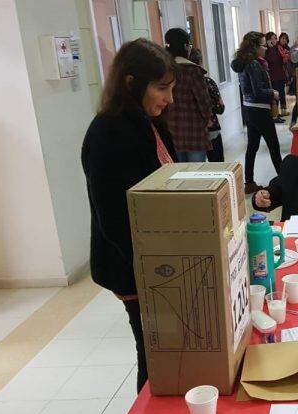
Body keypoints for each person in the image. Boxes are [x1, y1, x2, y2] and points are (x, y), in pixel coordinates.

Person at [81, 39, 178, 393]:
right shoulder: (109, 131)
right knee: (153, 354)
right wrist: (153, 268)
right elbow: (114, 219)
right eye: (162, 89)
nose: (169, 99)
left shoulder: (147, 122)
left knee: (165, 351)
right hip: (135, 268)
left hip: (160, 261)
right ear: (132, 83)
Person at [231, 31, 283, 194]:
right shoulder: (253, 64)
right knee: (273, 146)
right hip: (259, 110)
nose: (266, 48)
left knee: (252, 147)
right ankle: (284, 181)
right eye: (263, 44)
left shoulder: (244, 62)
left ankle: (249, 182)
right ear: (254, 47)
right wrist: (273, 93)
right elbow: (258, 91)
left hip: (249, 109)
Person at [164, 28, 212, 162]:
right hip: (194, 130)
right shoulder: (192, 71)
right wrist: (208, 118)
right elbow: (204, 101)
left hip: (172, 129)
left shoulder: (164, 69)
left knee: (180, 172)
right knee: (196, 174)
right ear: (185, 46)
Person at [189, 48, 225, 162]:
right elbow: (220, 108)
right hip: (211, 130)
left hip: (189, 133)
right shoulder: (208, 82)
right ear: (200, 62)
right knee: (217, 166)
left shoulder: (177, 82)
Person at [264, 31, 288, 122]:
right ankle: (274, 116)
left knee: (281, 94)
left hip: (280, 75)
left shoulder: (277, 48)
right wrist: (270, 48)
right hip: (273, 76)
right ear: (268, 40)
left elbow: (281, 60)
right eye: (272, 38)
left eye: (275, 38)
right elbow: (272, 60)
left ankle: (277, 114)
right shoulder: (268, 50)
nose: (274, 40)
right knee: (275, 97)